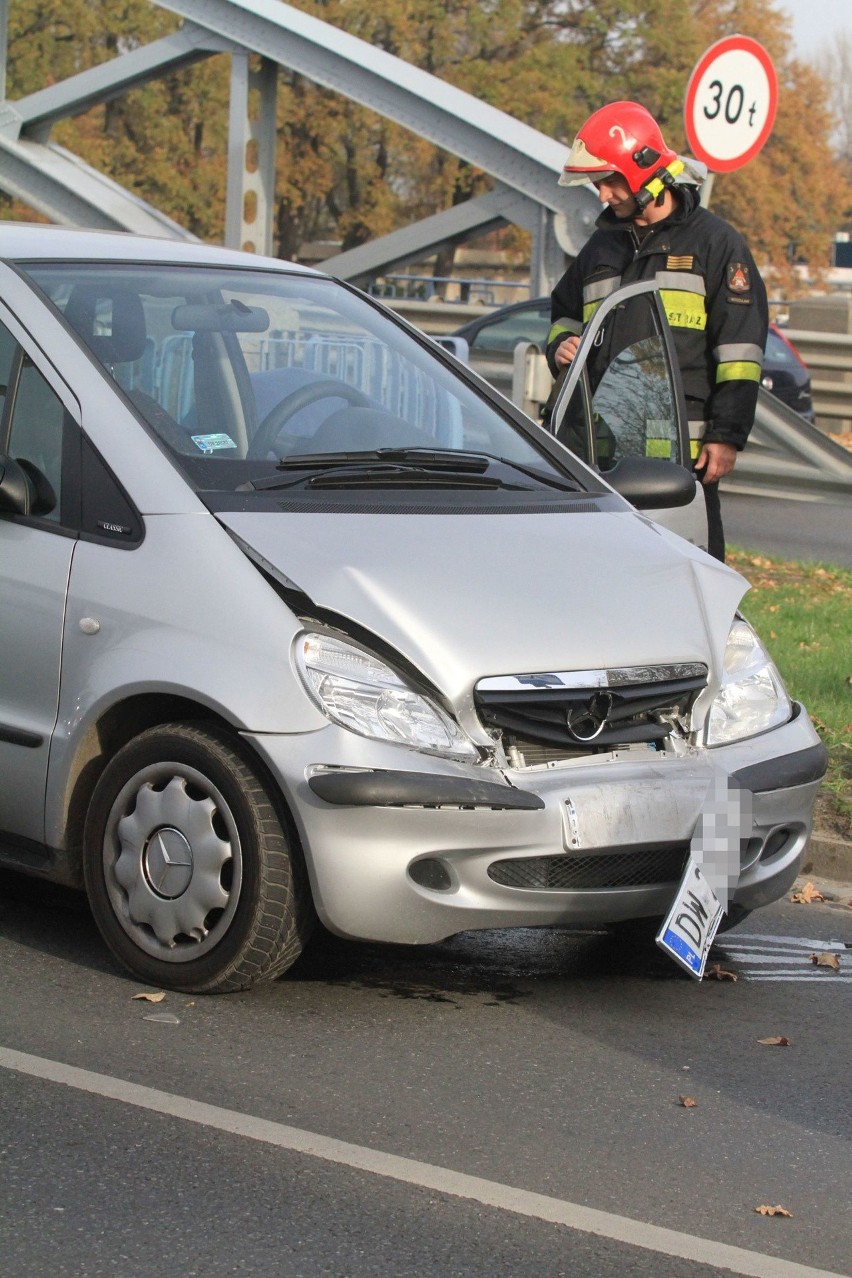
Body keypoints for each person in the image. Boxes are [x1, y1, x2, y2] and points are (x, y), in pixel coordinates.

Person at [547, 100, 768, 561]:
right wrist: (561, 347)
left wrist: (726, 435)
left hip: (682, 453)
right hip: (602, 446)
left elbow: (740, 350)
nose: (604, 195)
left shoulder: (715, 244)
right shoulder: (600, 245)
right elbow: (564, 315)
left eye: (610, 181)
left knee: (691, 568)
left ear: (646, 171)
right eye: (598, 184)